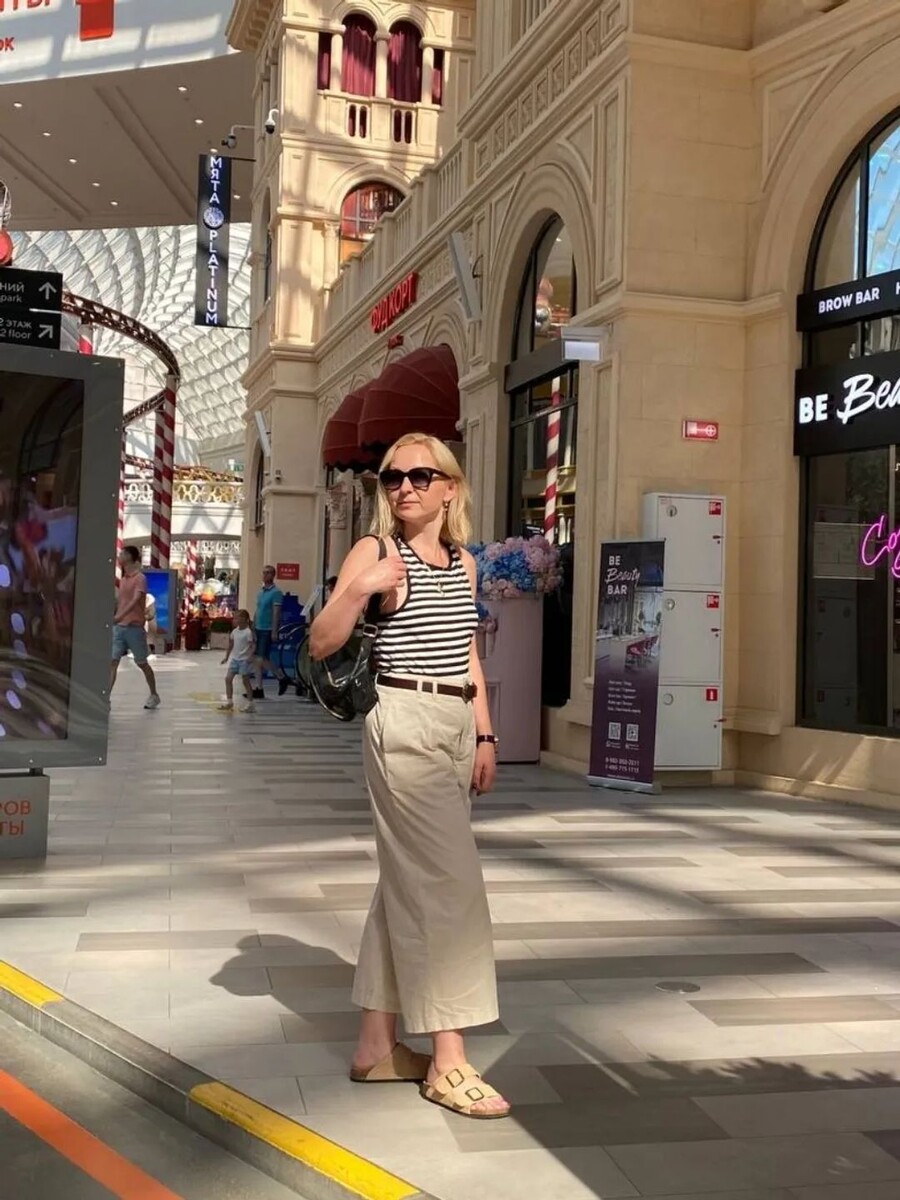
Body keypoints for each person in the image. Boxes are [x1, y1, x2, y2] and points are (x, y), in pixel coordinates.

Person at [309, 432, 509, 1121]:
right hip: (402, 719)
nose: (404, 488)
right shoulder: (376, 552)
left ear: (450, 487)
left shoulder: (464, 562)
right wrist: (359, 589)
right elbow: (322, 642)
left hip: (454, 721)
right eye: (393, 477)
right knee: (449, 886)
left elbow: (467, 651)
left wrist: (484, 733)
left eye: (421, 476)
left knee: (409, 878)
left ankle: (375, 1046)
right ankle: (448, 1058)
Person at [110, 546, 160, 710]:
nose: (119, 556)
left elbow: (135, 601)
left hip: (134, 627)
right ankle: (106, 698)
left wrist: (120, 615)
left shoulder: (140, 578)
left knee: (142, 663)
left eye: (122, 554)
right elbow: (122, 601)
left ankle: (154, 694)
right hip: (119, 628)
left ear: (130, 557)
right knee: (112, 662)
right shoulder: (123, 579)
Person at [252, 564, 289, 699]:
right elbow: (258, 609)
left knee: (260, 658)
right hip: (258, 627)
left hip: (267, 629)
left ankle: (280, 676)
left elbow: (276, 612)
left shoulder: (276, 593)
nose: (265, 575)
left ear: (273, 575)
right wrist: (253, 624)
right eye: (264, 572)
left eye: (268, 573)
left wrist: (274, 630)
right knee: (258, 659)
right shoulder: (261, 592)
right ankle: (258, 688)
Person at [218, 609, 256, 713]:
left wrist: (250, 656)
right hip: (235, 660)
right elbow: (230, 645)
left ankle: (250, 704)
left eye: (236, 618)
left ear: (244, 619)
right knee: (228, 679)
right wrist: (226, 657)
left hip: (244, 660)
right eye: (234, 618)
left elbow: (252, 646)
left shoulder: (248, 632)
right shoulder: (234, 632)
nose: (234, 620)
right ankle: (229, 702)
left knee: (245, 681)